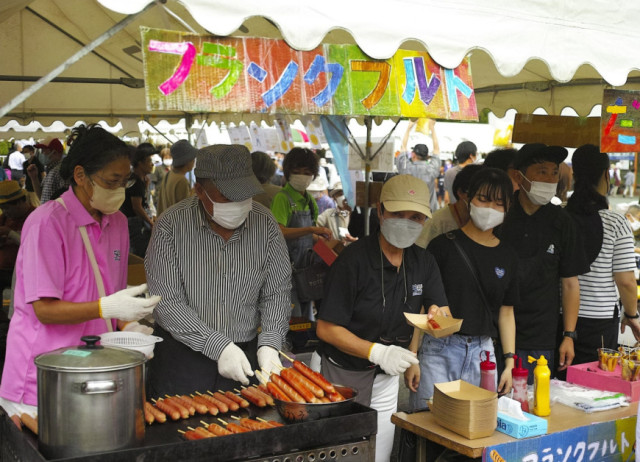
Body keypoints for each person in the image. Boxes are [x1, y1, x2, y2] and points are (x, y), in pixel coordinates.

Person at [0, 124, 159, 417]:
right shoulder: (47, 223)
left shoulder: (118, 224)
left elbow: (106, 295)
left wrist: (128, 328)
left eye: (125, 181)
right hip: (42, 378)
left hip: (96, 370)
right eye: (112, 181)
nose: (120, 190)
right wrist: (107, 307)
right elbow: (45, 311)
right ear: (81, 175)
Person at [316, 174, 449, 462]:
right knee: (340, 454)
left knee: (378, 454)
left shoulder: (423, 261)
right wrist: (377, 351)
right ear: (380, 211)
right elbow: (326, 328)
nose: (406, 222)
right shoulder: (353, 261)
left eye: (415, 216)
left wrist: (413, 354)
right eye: (397, 214)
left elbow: (433, 312)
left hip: (386, 378)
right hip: (341, 373)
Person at [145, 144, 291, 396]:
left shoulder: (265, 223)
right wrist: (219, 347)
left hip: (246, 355)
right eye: (227, 197)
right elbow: (166, 302)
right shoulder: (170, 226)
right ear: (200, 190)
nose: (238, 203)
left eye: (244, 196)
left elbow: (277, 291)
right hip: (182, 359)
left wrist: (269, 343)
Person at [409, 168, 518, 412]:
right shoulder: (442, 246)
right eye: (484, 199)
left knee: (477, 429)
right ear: (468, 199)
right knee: (428, 425)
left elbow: (506, 312)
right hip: (439, 349)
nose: (490, 208)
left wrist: (509, 362)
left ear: (508, 207)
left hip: (484, 354)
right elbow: (422, 305)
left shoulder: (508, 255)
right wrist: (412, 355)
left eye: (499, 203)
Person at [498, 143, 589, 380]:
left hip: (542, 338)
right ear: (520, 176)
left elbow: (570, 283)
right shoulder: (501, 215)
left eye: (554, 172)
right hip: (496, 332)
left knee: (532, 407)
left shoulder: (562, 222)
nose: (549, 179)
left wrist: (569, 335)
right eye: (541, 171)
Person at [566, 145, 640, 364]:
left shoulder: (562, 218)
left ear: (574, 175)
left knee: (560, 383)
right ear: (607, 175)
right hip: (598, 320)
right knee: (594, 386)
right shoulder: (616, 222)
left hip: (560, 319)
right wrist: (632, 314)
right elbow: (626, 282)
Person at [270, 147, 332, 321]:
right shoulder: (282, 199)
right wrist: (312, 229)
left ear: (313, 174)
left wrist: (331, 256)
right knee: (291, 320)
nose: (302, 176)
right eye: (296, 172)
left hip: (305, 273)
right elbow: (278, 232)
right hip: (284, 273)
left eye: (306, 172)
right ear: (288, 173)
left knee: (305, 321)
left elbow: (310, 239)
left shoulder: (310, 201)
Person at [415, 164, 483, 248]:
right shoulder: (436, 224)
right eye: (481, 197)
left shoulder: (487, 225)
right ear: (461, 192)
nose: (488, 205)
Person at [120, 143, 155, 257]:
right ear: (140, 163)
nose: (152, 164)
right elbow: (137, 206)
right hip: (135, 225)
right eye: (149, 161)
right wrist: (150, 223)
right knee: (140, 255)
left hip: (131, 223)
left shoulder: (136, 179)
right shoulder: (136, 182)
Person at [156, 140, 196, 215]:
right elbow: (185, 210)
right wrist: (194, 194)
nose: (194, 161)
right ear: (187, 160)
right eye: (193, 159)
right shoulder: (181, 180)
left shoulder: (169, 174)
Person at [39, 138, 68, 203]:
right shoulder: (50, 170)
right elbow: (42, 197)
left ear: (54, 152)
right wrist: (34, 177)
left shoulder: (60, 170)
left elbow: (66, 199)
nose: (41, 153)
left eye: (43, 150)